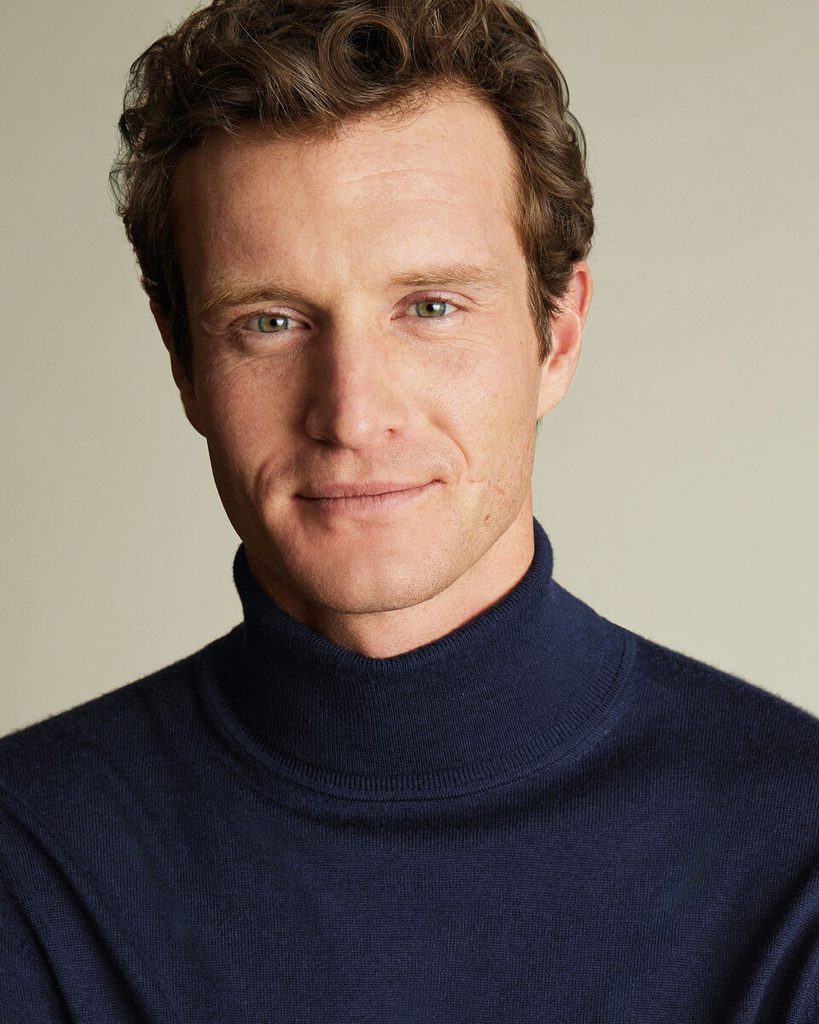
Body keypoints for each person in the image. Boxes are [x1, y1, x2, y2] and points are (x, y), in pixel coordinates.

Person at [1, 0, 817, 1020]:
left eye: (430, 307)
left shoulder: (795, 853)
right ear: (184, 362)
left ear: (556, 338)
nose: (351, 413)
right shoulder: (28, 860)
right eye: (270, 321)